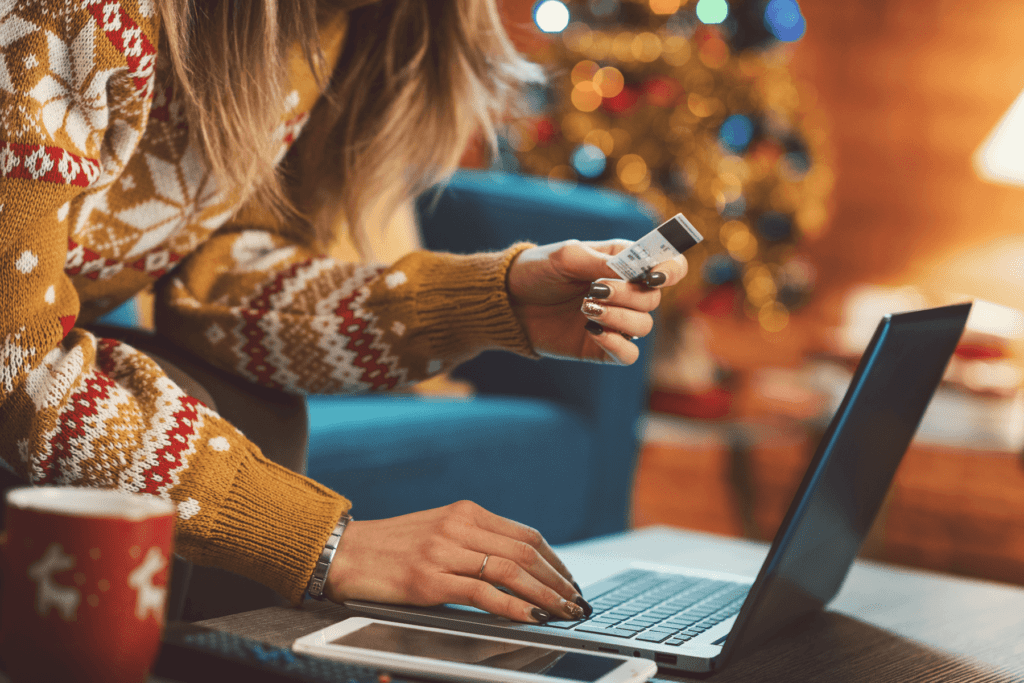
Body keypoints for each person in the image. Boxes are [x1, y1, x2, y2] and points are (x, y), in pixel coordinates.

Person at [0, 0, 688, 623]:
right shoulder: (82, 14)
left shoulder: (346, 24)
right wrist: (326, 543)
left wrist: (491, 303)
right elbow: (13, 351)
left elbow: (211, 284)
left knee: (257, 405)